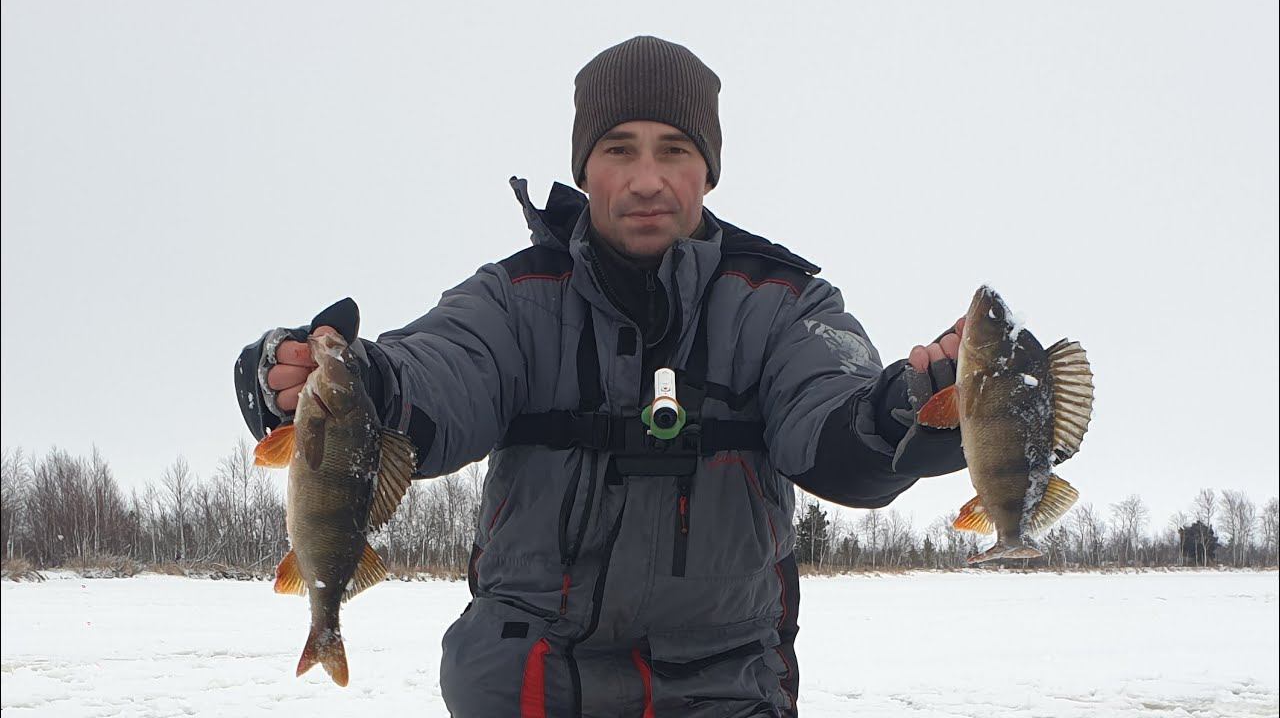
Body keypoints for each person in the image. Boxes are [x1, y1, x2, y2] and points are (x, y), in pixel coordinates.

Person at [235, 35, 965, 718]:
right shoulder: (512, 301)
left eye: (674, 150)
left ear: (707, 169)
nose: (647, 179)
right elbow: (439, 372)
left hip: (724, 689)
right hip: (528, 686)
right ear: (585, 168)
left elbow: (831, 412)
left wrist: (906, 414)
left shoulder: (783, 306)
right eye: (619, 149)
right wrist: (333, 382)